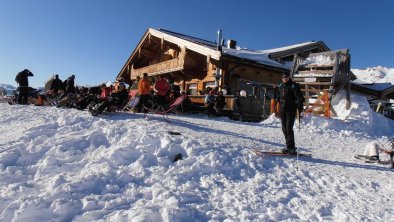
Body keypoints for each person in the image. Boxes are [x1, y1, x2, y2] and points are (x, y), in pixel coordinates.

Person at [277, 73, 304, 154]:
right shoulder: (281, 85)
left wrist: (299, 108)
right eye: (283, 77)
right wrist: (277, 99)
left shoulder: (294, 86)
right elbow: (279, 95)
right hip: (283, 110)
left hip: (291, 110)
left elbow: (300, 98)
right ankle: (288, 146)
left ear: (288, 77)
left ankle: (291, 148)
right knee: (284, 129)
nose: (284, 78)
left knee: (289, 128)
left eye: (286, 77)